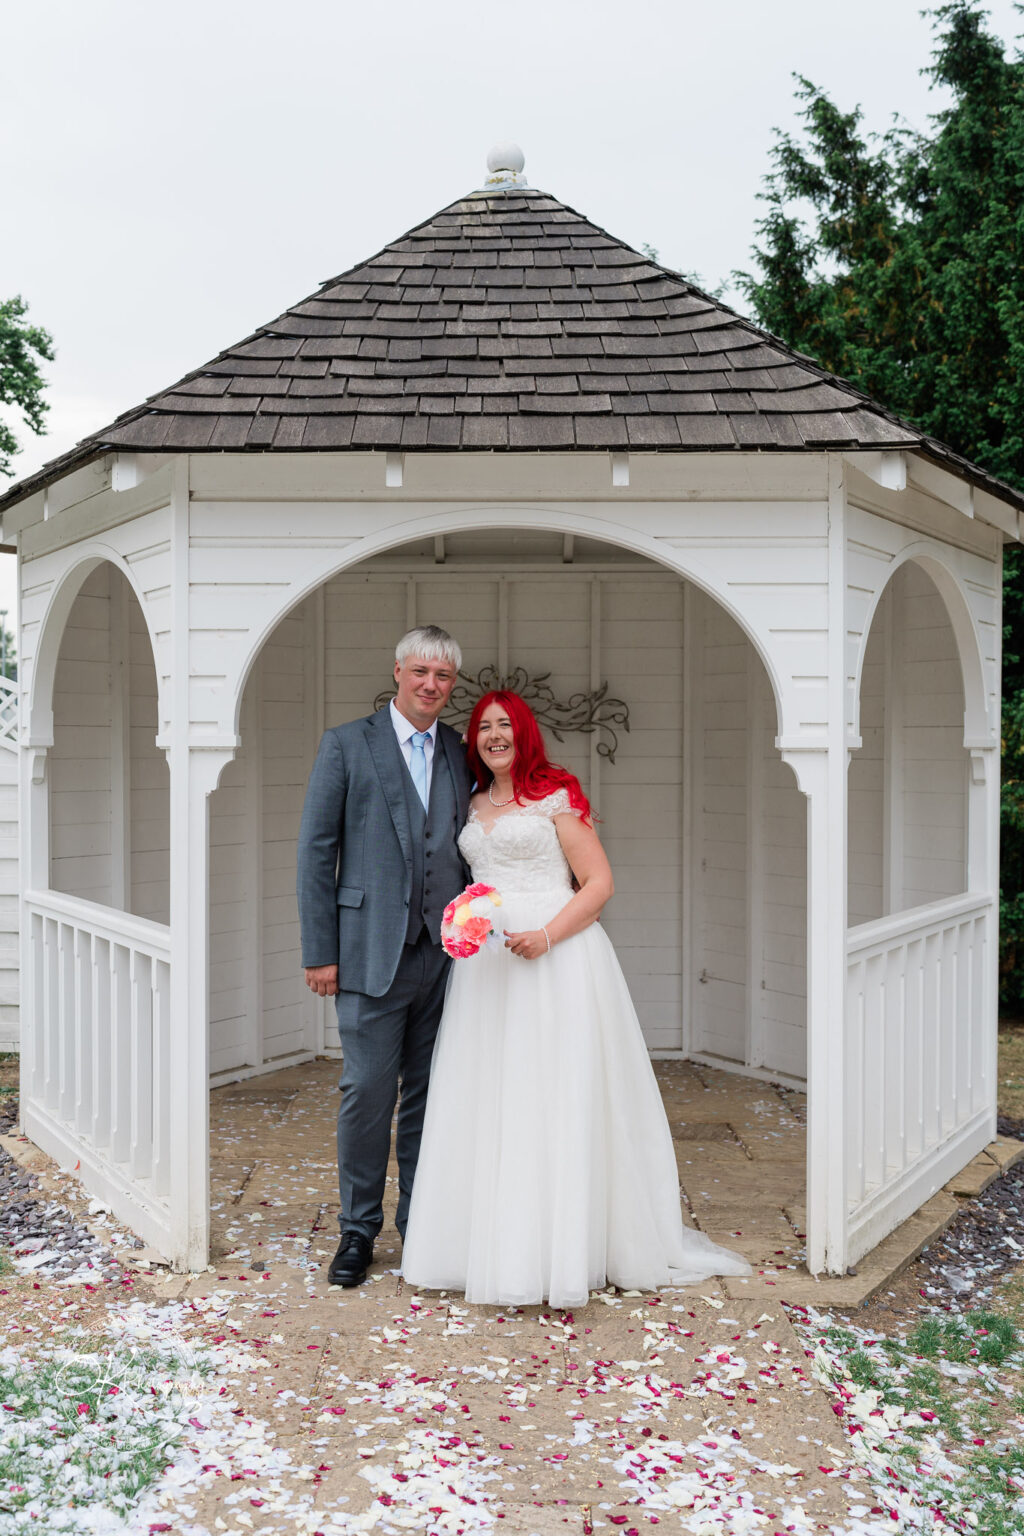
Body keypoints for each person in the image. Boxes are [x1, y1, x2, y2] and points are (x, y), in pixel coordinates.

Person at [401, 690, 751, 1308]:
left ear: (525, 732)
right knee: (491, 1095)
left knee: (553, 1093)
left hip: (556, 957)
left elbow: (598, 883)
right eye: (484, 727)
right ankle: (488, 1243)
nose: (494, 735)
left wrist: (546, 935)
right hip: (489, 970)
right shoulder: (472, 800)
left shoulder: (554, 794)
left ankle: (565, 1246)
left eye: (505, 725)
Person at [296, 626, 474, 1288]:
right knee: (368, 1092)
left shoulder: (459, 750)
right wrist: (321, 952)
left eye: (445, 677)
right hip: (368, 952)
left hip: (445, 958)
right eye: (421, 671)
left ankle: (421, 1223)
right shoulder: (347, 744)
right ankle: (357, 1229)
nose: (432, 685)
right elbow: (317, 849)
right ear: (398, 671)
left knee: (430, 1097)